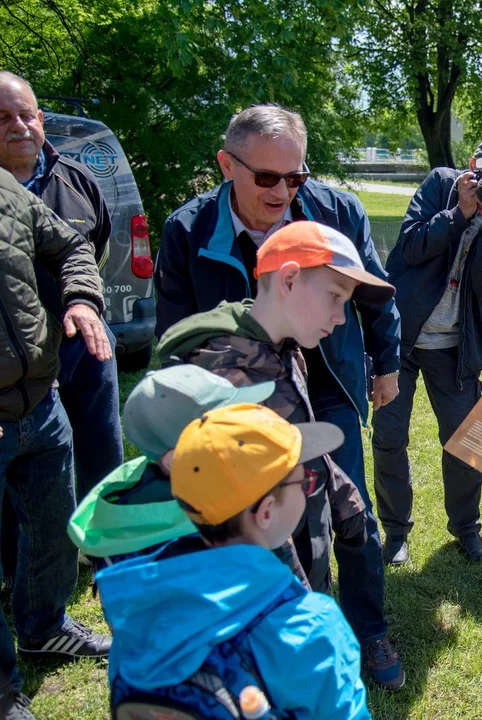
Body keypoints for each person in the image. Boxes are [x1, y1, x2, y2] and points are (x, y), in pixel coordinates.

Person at [152, 105, 405, 689]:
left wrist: (387, 364)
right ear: (226, 165)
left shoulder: (337, 211)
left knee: (351, 507)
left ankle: (369, 629)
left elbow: (374, 298)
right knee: (266, 515)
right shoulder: (187, 230)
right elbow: (174, 337)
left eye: (297, 177)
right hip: (238, 394)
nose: (283, 191)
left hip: (328, 384)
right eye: (267, 178)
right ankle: (276, 633)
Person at [98, 403, 373, 720]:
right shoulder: (310, 626)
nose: (309, 485)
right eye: (305, 481)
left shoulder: (131, 603)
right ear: (266, 511)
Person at [374, 135, 482, 564]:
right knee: (389, 437)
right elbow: (410, 247)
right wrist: (460, 212)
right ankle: (395, 532)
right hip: (400, 337)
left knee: (465, 442)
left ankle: (466, 528)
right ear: (472, 163)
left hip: (455, 347)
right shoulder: (441, 184)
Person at [0, 168, 114, 720]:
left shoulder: (6, 189)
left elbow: (72, 243)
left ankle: (43, 629)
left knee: (53, 523)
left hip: (39, 401)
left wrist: (82, 299)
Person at [0, 73, 122, 586]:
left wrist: (83, 305)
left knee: (99, 446)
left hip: (83, 342)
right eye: (3, 119)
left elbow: (94, 248)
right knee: (24, 471)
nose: (19, 127)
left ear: (41, 120)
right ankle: (19, 570)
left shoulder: (75, 178)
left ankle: (106, 554)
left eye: (26, 114)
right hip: (17, 363)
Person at [68, 365, 276, 567]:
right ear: (175, 459)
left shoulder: (136, 495)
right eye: (226, 427)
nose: (243, 430)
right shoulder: (200, 531)